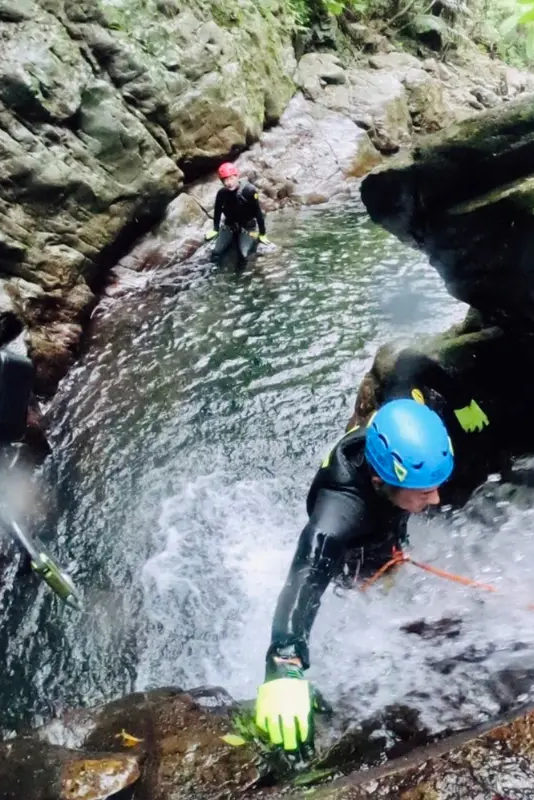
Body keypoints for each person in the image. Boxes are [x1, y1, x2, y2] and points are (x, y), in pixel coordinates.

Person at [253, 350, 490, 754]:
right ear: (382, 481)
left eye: (436, 486)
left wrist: (461, 399)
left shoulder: (402, 411)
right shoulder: (340, 514)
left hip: (386, 504)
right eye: (424, 492)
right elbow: (307, 573)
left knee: (397, 534)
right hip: (361, 543)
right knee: (360, 579)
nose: (436, 501)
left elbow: (412, 363)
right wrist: (284, 664)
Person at [204, 162, 268, 265]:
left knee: (243, 255)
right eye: (225, 180)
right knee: (216, 252)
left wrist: (262, 233)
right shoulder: (222, 193)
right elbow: (217, 211)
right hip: (230, 226)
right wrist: (215, 229)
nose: (229, 183)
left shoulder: (249, 191)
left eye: (231, 178)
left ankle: (241, 278)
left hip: (247, 228)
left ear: (237, 177)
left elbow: (258, 212)